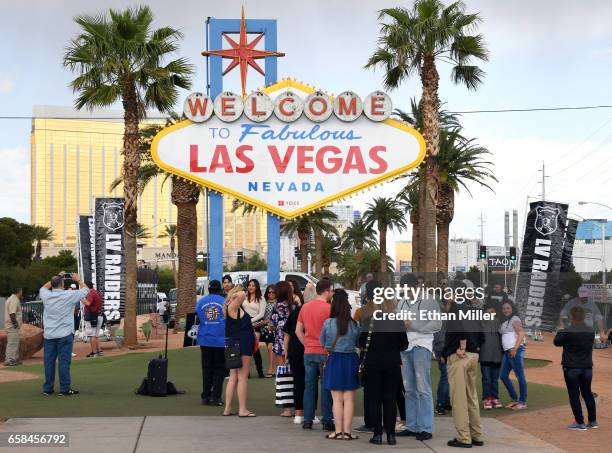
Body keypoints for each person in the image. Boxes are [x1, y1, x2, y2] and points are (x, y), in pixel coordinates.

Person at [360, 286, 408, 445]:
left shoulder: (369, 320)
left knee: (375, 399)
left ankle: (377, 434)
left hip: (373, 363)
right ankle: (392, 435)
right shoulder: (397, 320)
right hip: (392, 364)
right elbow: (404, 345)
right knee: (390, 399)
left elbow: (360, 342)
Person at [397, 273, 442, 441]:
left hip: (421, 346)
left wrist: (414, 325)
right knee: (409, 389)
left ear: (417, 286)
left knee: (423, 388)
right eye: (404, 290)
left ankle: (426, 427)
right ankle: (412, 425)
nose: (406, 293)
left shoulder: (430, 300)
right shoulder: (401, 302)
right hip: (404, 348)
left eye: (408, 289)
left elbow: (437, 324)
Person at [442, 290, 485, 448]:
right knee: (470, 397)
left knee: (459, 400)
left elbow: (461, 328)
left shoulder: (455, 309)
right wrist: (474, 348)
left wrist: (462, 346)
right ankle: (476, 435)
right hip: (472, 355)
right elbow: (482, 335)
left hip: (460, 356)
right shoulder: (473, 310)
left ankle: (464, 438)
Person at [320, 289, 361, 440]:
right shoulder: (355, 324)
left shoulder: (328, 323)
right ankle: (348, 432)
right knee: (349, 399)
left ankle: (338, 431)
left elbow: (323, 343)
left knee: (336, 399)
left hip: (334, 360)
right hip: (351, 360)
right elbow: (358, 343)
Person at [40, 272, 89, 396]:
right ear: (62, 284)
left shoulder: (46, 295)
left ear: (52, 284)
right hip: (64, 334)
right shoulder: (69, 294)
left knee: (49, 362)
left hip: (49, 335)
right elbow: (86, 290)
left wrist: (57, 276)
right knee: (64, 362)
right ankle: (65, 389)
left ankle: (48, 389)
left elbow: (43, 287)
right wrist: (78, 280)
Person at [296, 278, 334, 431]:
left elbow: (298, 330)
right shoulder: (329, 309)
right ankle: (327, 420)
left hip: (309, 351)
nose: (332, 293)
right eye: (331, 291)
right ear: (326, 291)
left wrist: (306, 343)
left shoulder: (305, 307)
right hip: (325, 352)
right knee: (326, 387)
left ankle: (308, 419)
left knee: (309, 387)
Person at [554, 306, 598, 430]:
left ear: (572, 317)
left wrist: (561, 329)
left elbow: (556, 342)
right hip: (587, 367)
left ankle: (580, 422)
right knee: (587, 393)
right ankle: (593, 421)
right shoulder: (590, 330)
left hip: (572, 367)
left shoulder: (568, 331)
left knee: (574, 395)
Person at [223, 285, 256, 417]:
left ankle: (228, 408)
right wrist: (236, 294)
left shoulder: (231, 307)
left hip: (234, 344)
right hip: (242, 344)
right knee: (242, 378)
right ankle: (242, 409)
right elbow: (242, 294)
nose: (245, 294)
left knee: (233, 377)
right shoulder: (233, 306)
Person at [196, 279, 226, 406]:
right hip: (220, 340)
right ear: (220, 289)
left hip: (205, 339)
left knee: (207, 368)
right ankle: (216, 397)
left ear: (209, 288)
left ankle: (206, 395)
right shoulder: (224, 302)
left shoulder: (200, 302)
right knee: (219, 369)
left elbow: (196, 318)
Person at [499, 301, 528, 410]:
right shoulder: (505, 320)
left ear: (512, 309)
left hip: (515, 350)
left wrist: (515, 348)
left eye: (508, 308)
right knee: (502, 375)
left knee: (520, 376)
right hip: (508, 352)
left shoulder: (515, 319)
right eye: (504, 308)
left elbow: (521, 333)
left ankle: (523, 401)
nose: (505, 310)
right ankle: (514, 399)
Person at [283, 288, 305, 424]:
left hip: (294, 350)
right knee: (310, 382)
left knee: (298, 382)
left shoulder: (295, 312)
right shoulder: (320, 310)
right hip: (310, 350)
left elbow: (286, 334)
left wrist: (286, 352)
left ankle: (298, 413)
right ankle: (310, 413)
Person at [479, 304, 503, 409]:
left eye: (492, 312)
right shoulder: (481, 323)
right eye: (487, 313)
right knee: (486, 379)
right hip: (485, 355)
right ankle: (487, 399)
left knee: (495, 379)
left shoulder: (500, 323)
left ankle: (495, 398)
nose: (489, 314)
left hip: (497, 356)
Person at [243, 279, 266, 378]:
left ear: (256, 287)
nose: (251, 287)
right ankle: (246, 373)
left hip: (255, 324)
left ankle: (260, 371)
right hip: (244, 324)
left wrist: (250, 321)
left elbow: (261, 314)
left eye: (253, 285)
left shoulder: (261, 299)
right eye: (249, 285)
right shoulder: (243, 296)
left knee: (255, 349)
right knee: (246, 349)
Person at [270, 281, 295, 374]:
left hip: (280, 340)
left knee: (282, 368)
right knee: (293, 367)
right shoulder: (294, 306)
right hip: (293, 339)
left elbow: (271, 325)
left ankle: (283, 386)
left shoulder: (276, 307)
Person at [433, 296, 452, 415]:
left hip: (449, 349)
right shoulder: (441, 317)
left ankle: (445, 400)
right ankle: (440, 402)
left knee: (448, 376)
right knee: (446, 376)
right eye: (450, 304)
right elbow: (438, 337)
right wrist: (439, 353)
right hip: (443, 350)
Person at [260, 284, 277, 377]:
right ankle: (273, 368)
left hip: (273, 327)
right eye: (269, 292)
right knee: (269, 349)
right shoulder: (264, 302)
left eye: (273, 292)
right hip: (264, 328)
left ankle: (271, 369)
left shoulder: (278, 303)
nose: (271, 294)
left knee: (271, 348)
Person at [3, 288, 23, 366]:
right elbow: (12, 313)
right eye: (21, 291)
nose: (22, 292)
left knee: (14, 342)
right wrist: (15, 324)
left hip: (12, 326)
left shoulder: (12, 298)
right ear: (19, 291)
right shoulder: (14, 299)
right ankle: (9, 360)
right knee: (12, 343)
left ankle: (14, 359)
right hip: (12, 326)